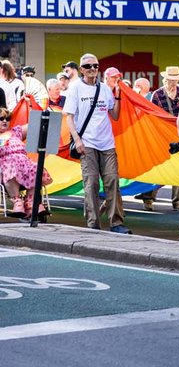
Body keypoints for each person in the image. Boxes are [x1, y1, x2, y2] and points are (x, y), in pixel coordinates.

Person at [64, 53, 130, 234]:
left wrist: (117, 96)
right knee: (91, 182)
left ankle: (116, 223)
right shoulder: (75, 88)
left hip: (107, 143)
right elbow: (69, 117)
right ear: (81, 70)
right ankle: (93, 223)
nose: (93, 69)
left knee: (113, 181)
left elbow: (114, 115)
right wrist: (77, 140)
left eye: (96, 66)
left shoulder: (105, 89)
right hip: (87, 143)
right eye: (88, 66)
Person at [139, 66, 179, 212]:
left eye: (175, 80)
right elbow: (152, 116)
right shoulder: (157, 94)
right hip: (161, 136)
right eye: (170, 80)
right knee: (158, 166)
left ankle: (178, 201)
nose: (172, 83)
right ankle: (148, 198)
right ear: (164, 79)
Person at [0, 108, 52, 218]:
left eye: (7, 118)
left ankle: (31, 202)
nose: (5, 121)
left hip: (24, 164)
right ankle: (17, 202)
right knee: (11, 167)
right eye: (1, 118)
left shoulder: (15, 132)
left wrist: (42, 109)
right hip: (5, 165)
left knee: (37, 168)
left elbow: (35, 123)